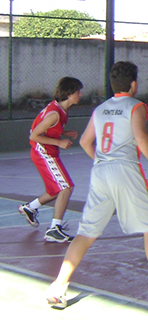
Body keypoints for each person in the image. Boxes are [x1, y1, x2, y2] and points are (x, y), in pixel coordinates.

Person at [45, 62, 148, 308]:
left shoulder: (100, 109)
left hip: (100, 172)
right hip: (126, 170)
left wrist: (103, 161)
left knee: (86, 232)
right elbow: (140, 136)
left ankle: (59, 287)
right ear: (134, 84)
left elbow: (86, 142)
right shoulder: (136, 106)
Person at [20, 77, 82, 243]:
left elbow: (50, 130)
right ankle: (54, 228)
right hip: (43, 153)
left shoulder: (61, 110)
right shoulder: (54, 114)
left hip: (48, 152)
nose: (80, 95)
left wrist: (64, 133)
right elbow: (34, 135)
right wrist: (59, 142)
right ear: (69, 94)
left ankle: (30, 208)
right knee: (66, 187)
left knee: (55, 190)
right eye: (78, 91)